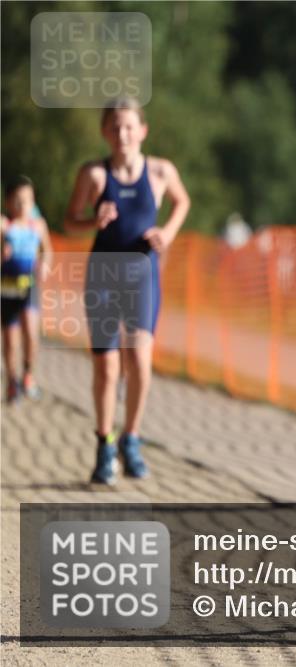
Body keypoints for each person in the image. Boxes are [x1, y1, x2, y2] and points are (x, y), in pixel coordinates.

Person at [64, 97, 190, 485]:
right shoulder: (95, 175)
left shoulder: (160, 171)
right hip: (103, 274)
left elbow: (182, 201)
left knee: (139, 358)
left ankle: (131, 438)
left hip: (142, 275)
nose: (122, 134)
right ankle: (105, 444)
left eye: (129, 126)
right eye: (115, 127)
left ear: (142, 130)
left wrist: (166, 233)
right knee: (107, 365)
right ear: (105, 132)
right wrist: (92, 221)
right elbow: (70, 221)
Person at [2, 176, 52, 403]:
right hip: (7, 287)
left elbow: (47, 251)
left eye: (28, 200)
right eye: (18, 201)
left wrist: (44, 264)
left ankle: (28, 375)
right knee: (11, 340)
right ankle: (12, 381)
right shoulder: (4, 225)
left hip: (30, 284)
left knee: (31, 333)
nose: (24, 206)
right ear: (8, 203)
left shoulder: (38, 225)